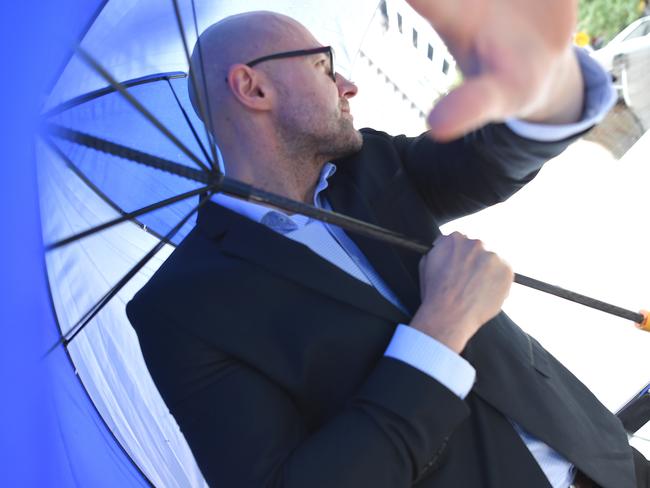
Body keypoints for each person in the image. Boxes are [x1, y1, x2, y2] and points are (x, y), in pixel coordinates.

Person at [127, 2, 649, 487]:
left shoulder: (369, 165)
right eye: (323, 68)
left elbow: (489, 159)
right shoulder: (178, 311)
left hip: (606, 461)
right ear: (254, 88)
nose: (348, 85)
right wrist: (441, 329)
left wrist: (546, 90)